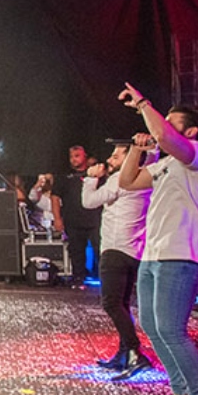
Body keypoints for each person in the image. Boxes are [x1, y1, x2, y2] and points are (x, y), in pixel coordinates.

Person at [117, 85, 198, 395]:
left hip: (182, 253)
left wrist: (144, 105)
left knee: (172, 330)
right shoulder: (165, 163)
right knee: (152, 325)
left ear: (190, 131)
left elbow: (164, 136)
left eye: (170, 121)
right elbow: (128, 181)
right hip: (154, 252)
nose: (158, 127)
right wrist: (137, 148)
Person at [82, 145, 152, 377]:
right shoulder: (146, 177)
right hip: (134, 250)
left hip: (114, 248)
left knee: (111, 303)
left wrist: (91, 179)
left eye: (116, 154)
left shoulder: (119, 179)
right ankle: (124, 353)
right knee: (121, 303)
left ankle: (134, 351)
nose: (110, 157)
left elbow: (89, 202)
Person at [58, 145, 102, 284]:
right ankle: (78, 278)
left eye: (77, 156)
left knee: (99, 249)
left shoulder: (95, 174)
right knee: (76, 251)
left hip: (95, 220)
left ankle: (103, 276)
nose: (73, 159)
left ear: (85, 156)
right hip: (73, 219)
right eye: (71, 156)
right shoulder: (64, 176)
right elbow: (55, 197)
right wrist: (57, 218)